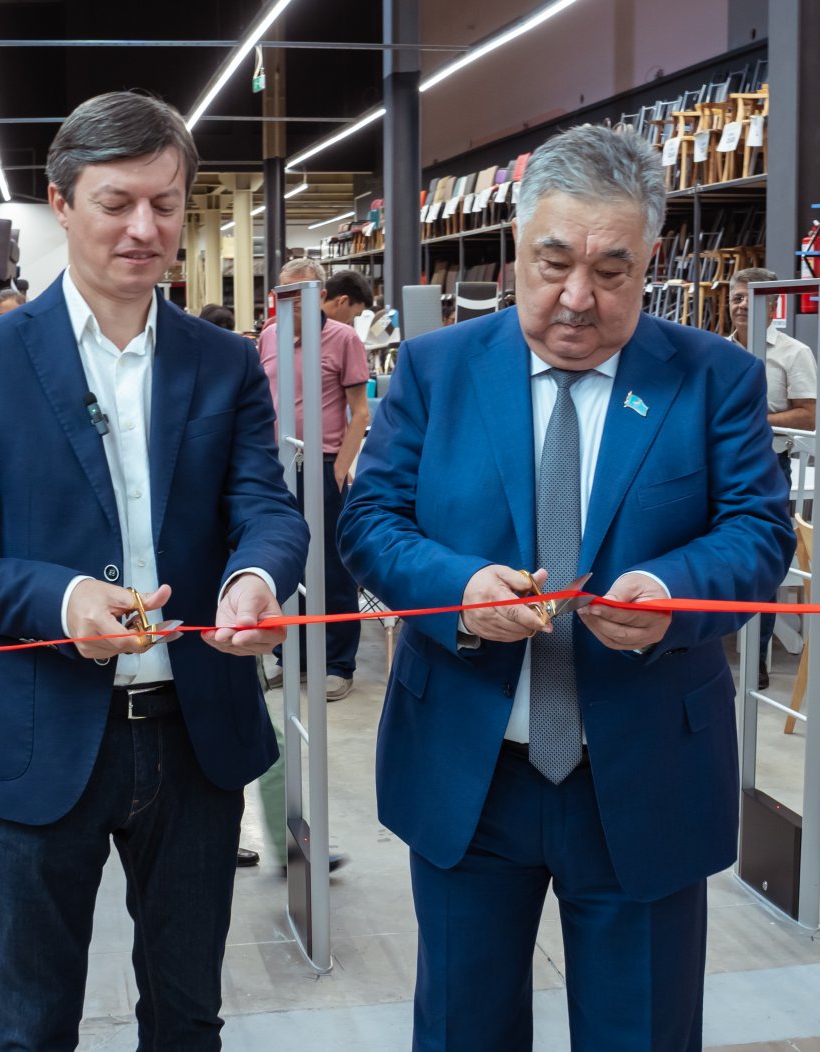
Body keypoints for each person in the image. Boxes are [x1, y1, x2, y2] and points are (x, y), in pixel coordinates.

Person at [338, 124, 793, 1051]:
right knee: (463, 1030)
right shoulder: (435, 371)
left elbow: (758, 534)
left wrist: (671, 590)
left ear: (651, 258)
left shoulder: (715, 381)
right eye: (553, 264)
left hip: (645, 775)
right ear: (517, 246)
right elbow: (370, 523)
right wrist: (460, 589)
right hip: (470, 773)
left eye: (612, 271)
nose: (577, 299)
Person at [0, 90, 308, 1051]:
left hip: (195, 740)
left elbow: (265, 509)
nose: (144, 228)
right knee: (35, 1020)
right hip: (40, 737)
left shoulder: (223, 363)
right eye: (116, 203)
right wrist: (61, 598)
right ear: (60, 202)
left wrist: (255, 579)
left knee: (188, 1015)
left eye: (165, 204)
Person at [257, 260, 371, 700]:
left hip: (320, 465)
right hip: (275, 468)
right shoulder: (269, 336)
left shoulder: (343, 338)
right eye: (283, 293)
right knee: (283, 561)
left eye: (299, 293)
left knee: (331, 567)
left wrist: (338, 469)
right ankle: (291, 658)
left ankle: (337, 663)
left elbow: (360, 412)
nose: (289, 302)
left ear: (320, 294)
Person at [728, 266, 818, 689]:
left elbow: (809, 416)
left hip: (768, 465)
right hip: (717, 463)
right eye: (736, 297)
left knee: (761, 558)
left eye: (751, 297)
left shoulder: (793, 353)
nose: (742, 304)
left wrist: (757, 421)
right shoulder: (715, 350)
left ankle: (757, 657)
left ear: (773, 304)